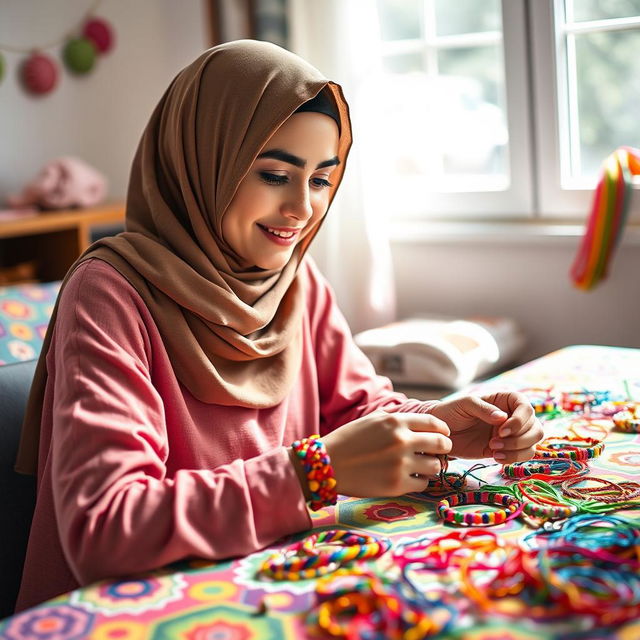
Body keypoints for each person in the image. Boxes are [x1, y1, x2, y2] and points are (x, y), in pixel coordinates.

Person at [14, 39, 543, 611]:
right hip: (129, 614)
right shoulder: (110, 292)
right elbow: (106, 527)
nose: (302, 209)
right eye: (273, 175)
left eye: (320, 180)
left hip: (267, 591)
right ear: (203, 161)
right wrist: (315, 474)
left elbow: (359, 410)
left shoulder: (295, 281)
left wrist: (438, 426)